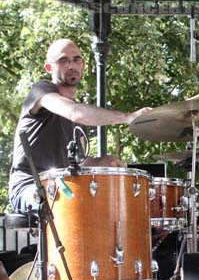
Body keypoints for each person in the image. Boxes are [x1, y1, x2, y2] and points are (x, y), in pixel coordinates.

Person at [9, 38, 151, 214]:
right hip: (29, 187)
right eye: (63, 60)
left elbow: (80, 162)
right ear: (49, 68)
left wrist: (102, 162)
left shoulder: (80, 116)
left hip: (63, 188)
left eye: (76, 59)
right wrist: (128, 117)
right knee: (65, 199)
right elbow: (75, 112)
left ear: (83, 64)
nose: (71, 65)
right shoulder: (42, 92)